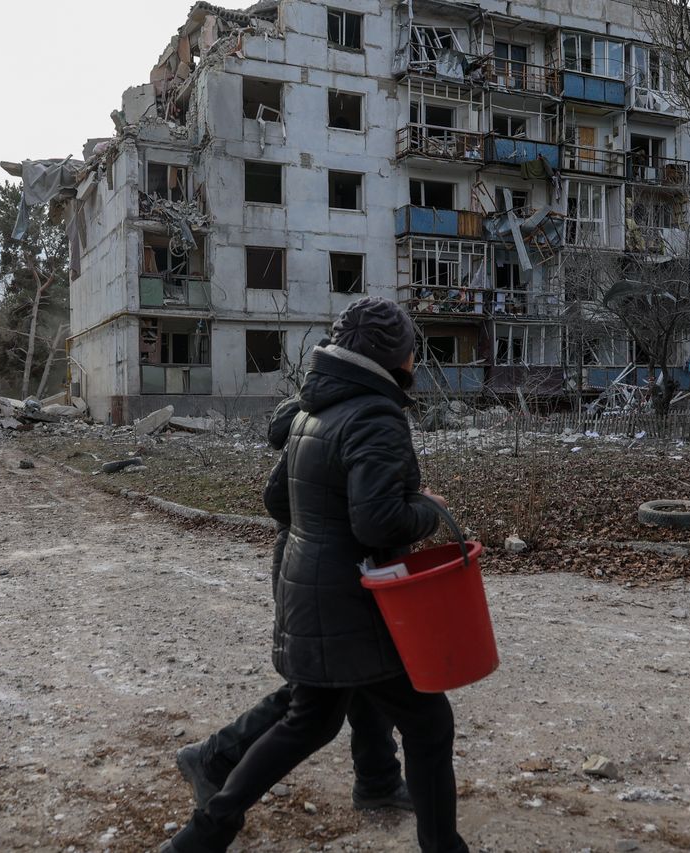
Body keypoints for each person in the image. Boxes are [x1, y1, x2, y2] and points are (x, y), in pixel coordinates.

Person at [164, 297, 468, 853]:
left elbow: (276, 497)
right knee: (427, 721)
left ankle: (201, 837)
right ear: (395, 359)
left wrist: (319, 529)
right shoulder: (376, 415)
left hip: (311, 586)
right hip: (356, 599)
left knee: (311, 720)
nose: (413, 364)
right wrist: (426, 505)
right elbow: (379, 522)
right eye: (410, 353)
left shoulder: (310, 412)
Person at [175, 373, 411, 815]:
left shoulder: (321, 414)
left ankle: (378, 779)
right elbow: (277, 500)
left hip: (319, 565)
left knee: (365, 674)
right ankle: (212, 758)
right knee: (316, 695)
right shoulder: (322, 419)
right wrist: (331, 519)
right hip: (317, 570)